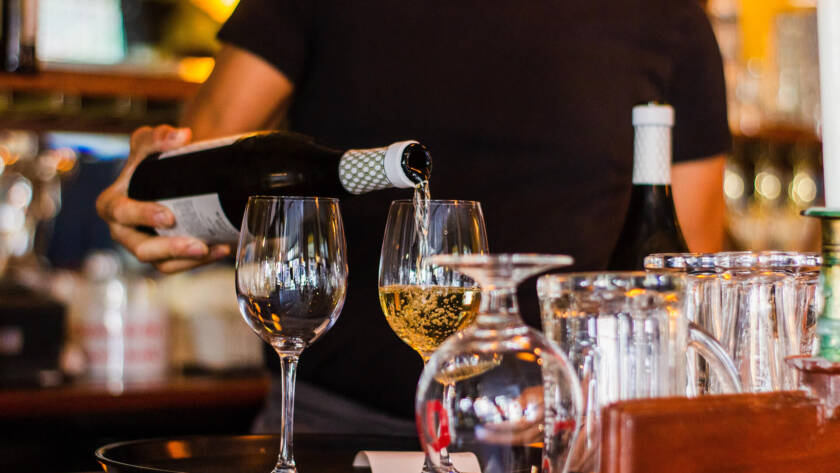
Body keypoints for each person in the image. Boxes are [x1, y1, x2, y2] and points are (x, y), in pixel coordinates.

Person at [97, 0, 730, 434]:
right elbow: (205, 163)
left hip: (559, 435)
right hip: (333, 429)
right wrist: (152, 203)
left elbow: (685, 273)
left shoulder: (668, 15)